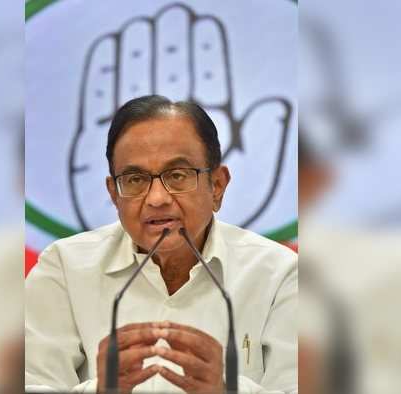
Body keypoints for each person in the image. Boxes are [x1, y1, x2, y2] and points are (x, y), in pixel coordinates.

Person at [25, 95, 297, 393]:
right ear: (114, 194)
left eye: (177, 175)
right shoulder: (64, 268)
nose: (157, 198)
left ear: (217, 186)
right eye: (135, 179)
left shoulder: (280, 274)